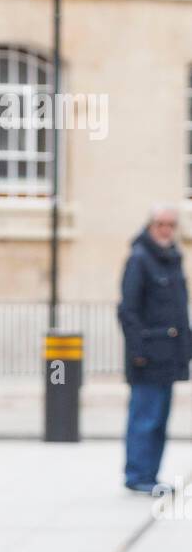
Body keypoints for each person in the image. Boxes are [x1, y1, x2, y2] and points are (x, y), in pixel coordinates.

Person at [117, 204, 192, 492]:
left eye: (171, 225)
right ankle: (137, 476)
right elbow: (128, 311)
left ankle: (150, 476)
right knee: (144, 419)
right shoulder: (140, 259)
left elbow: (178, 312)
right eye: (161, 224)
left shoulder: (172, 259)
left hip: (169, 357)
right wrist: (138, 352)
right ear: (150, 225)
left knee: (159, 421)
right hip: (147, 358)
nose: (166, 229)